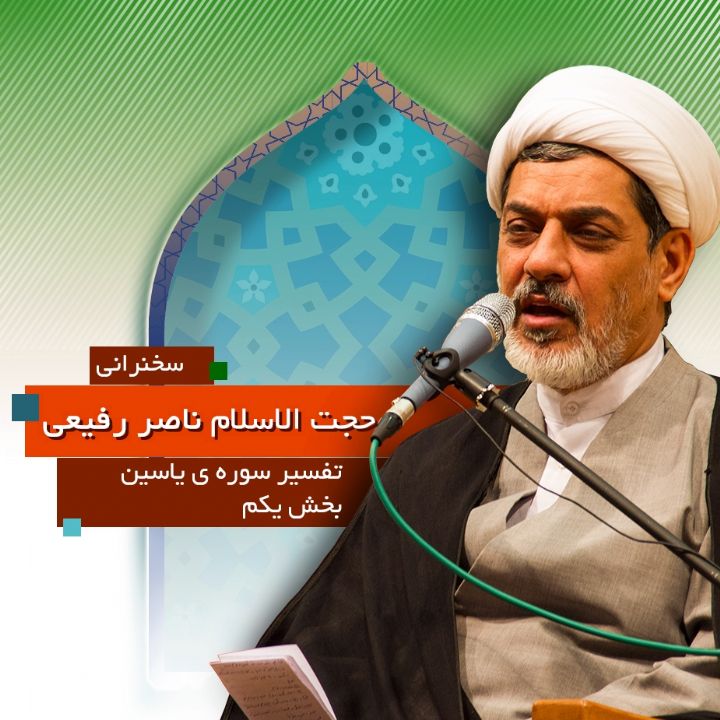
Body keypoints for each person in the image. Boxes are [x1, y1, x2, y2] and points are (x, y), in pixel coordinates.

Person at [221, 66, 720, 720]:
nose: (540, 262)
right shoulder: (436, 457)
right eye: (521, 229)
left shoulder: (708, 437)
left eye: (587, 233)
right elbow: (333, 651)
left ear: (670, 262)